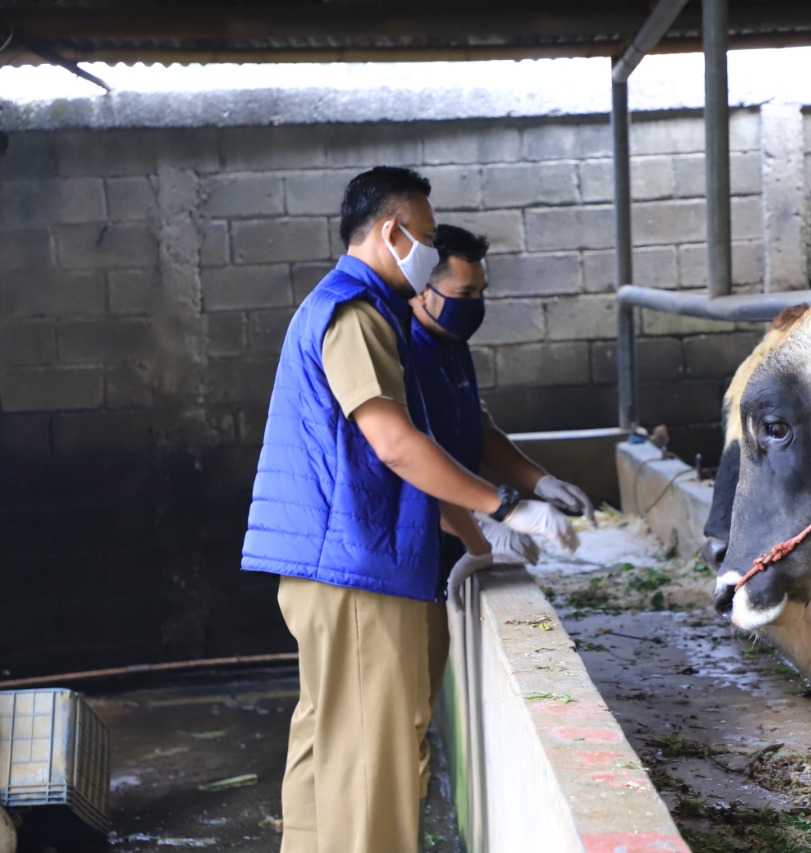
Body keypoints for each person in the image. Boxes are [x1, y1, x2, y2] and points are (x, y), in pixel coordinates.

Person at [241, 166, 578, 853]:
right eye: (424, 239)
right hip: (358, 563)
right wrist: (504, 507)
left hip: (328, 563)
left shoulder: (360, 312)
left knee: (328, 741)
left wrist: (502, 504)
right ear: (392, 232)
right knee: (374, 759)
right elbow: (395, 445)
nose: (426, 253)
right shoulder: (356, 314)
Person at [405, 223, 595, 776]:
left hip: (450, 548)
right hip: (421, 547)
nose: (476, 307)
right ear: (422, 291)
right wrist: (488, 523)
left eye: (481, 293)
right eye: (465, 296)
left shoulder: (449, 345)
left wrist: (540, 483)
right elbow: (413, 463)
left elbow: (479, 431)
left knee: (417, 708)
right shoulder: (404, 355)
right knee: (404, 714)